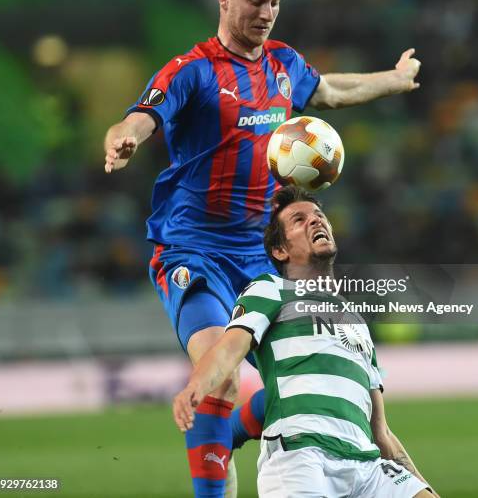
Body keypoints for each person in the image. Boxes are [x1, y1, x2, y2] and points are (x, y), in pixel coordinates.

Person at [104, 0, 421, 497]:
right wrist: (125, 136)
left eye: (275, 1)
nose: (268, 11)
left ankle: (224, 431)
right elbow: (142, 114)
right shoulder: (192, 71)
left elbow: (333, 92)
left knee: (307, 377)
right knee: (217, 373)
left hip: (261, 253)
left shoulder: (283, 65)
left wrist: (394, 79)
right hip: (194, 250)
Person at [174, 186, 438, 497]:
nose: (315, 221)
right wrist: (197, 386)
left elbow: (381, 431)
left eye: (319, 216)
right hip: (301, 459)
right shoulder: (270, 289)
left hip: (367, 467)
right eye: (299, 219)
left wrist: (421, 483)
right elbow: (231, 347)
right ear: (280, 251)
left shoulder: (355, 321)